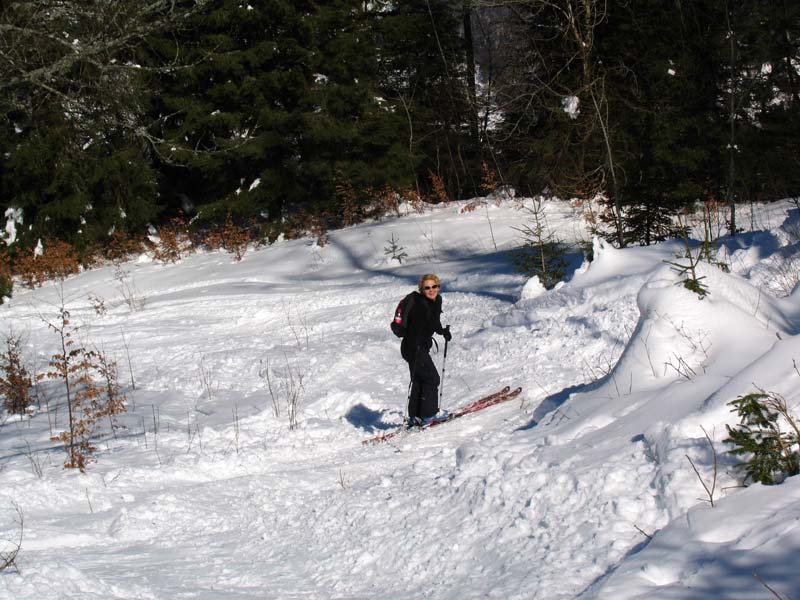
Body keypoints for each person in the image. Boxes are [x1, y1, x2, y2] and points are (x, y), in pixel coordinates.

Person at [401, 273, 452, 427]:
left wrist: (442, 331)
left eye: (434, 286)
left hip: (414, 347)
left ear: (438, 287)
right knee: (432, 379)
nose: (431, 290)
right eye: (427, 287)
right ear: (422, 289)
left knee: (419, 380)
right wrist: (417, 344)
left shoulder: (434, 302)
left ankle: (415, 417)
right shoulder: (420, 304)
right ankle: (428, 416)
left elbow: (433, 321)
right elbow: (417, 325)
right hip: (414, 347)